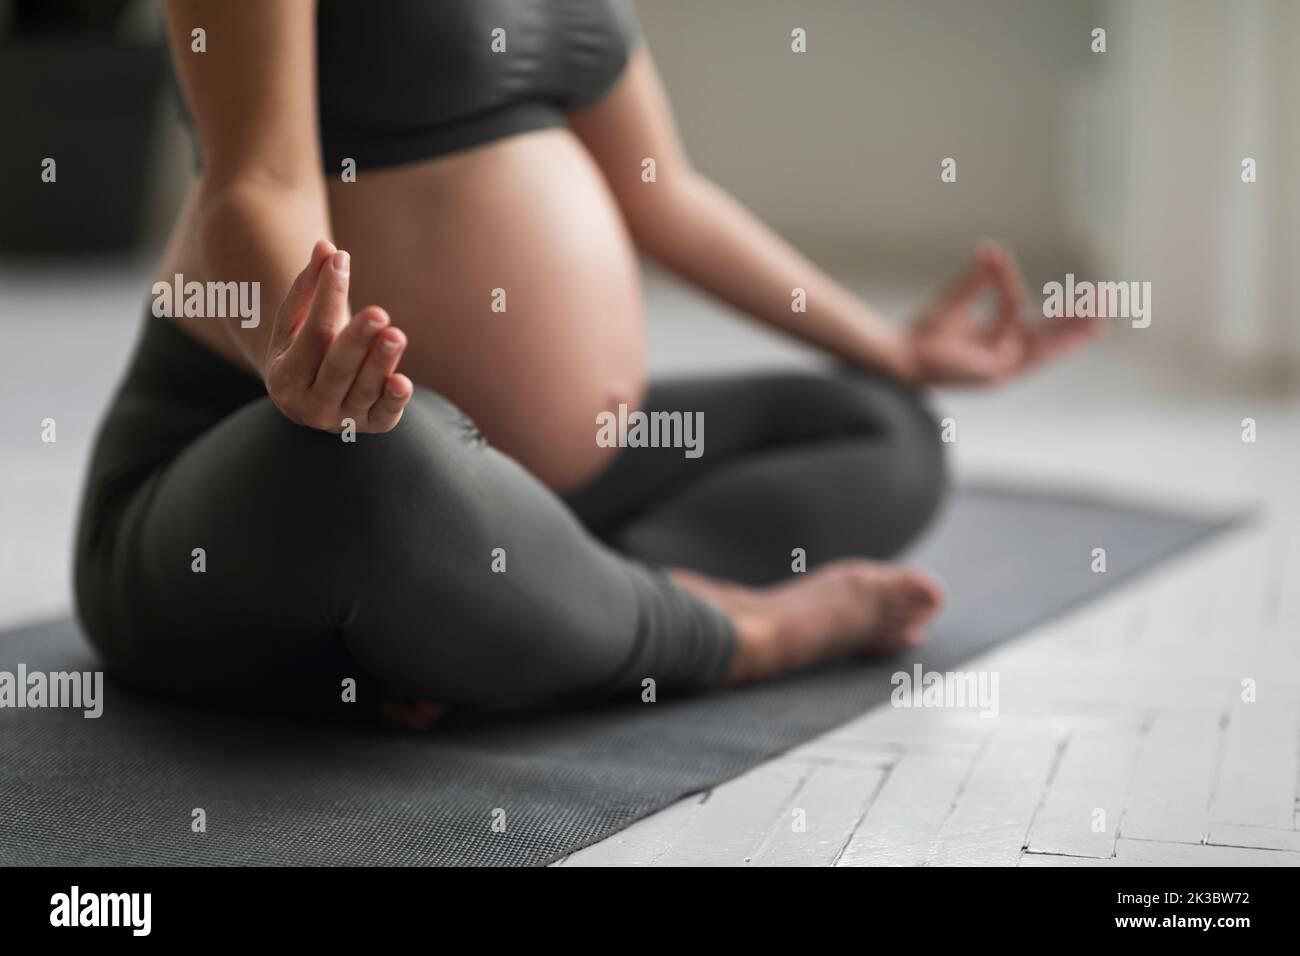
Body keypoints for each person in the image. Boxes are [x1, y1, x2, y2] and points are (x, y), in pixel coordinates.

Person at [74, 0, 1100, 721]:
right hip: (272, 468)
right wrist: (294, 353)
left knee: (884, 427)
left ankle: (511, 616)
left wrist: (895, 347)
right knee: (381, 449)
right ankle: (740, 635)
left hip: (544, 485)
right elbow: (254, 178)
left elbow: (665, 193)